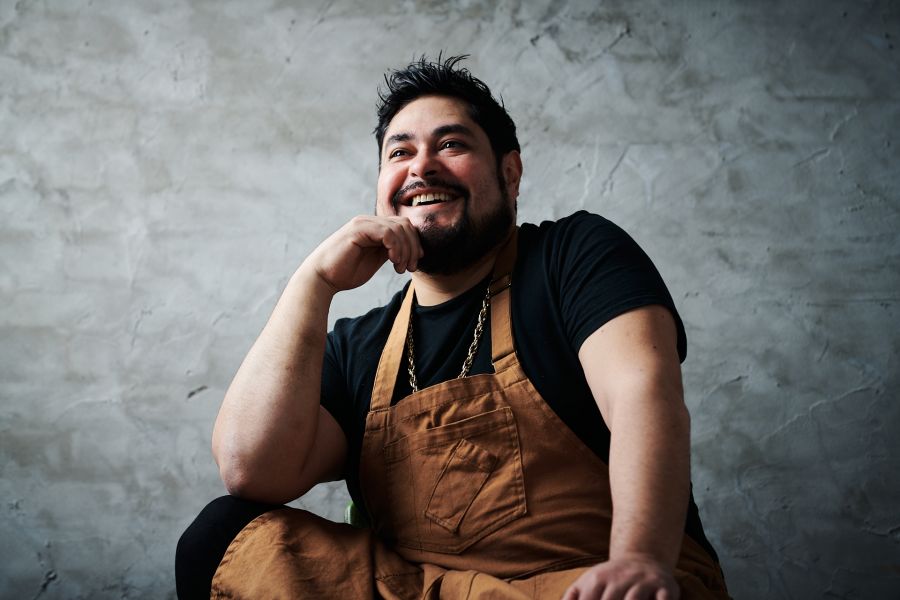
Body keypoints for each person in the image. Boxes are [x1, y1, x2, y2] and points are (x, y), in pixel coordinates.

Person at [176, 55, 730, 599]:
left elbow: (643, 394)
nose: (421, 167)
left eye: (451, 144)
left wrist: (639, 559)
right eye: (401, 152)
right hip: (421, 591)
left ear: (509, 174)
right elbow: (252, 470)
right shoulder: (357, 345)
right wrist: (313, 284)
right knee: (224, 537)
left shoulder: (572, 256)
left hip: (583, 585)